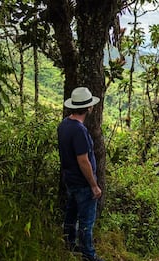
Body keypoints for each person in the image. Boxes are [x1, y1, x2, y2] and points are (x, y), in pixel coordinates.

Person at [57, 87, 104, 261]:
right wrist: (94, 185)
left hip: (69, 178)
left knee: (71, 211)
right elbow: (83, 160)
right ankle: (88, 255)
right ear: (89, 108)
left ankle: (69, 243)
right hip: (83, 182)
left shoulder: (64, 125)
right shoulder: (80, 130)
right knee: (86, 220)